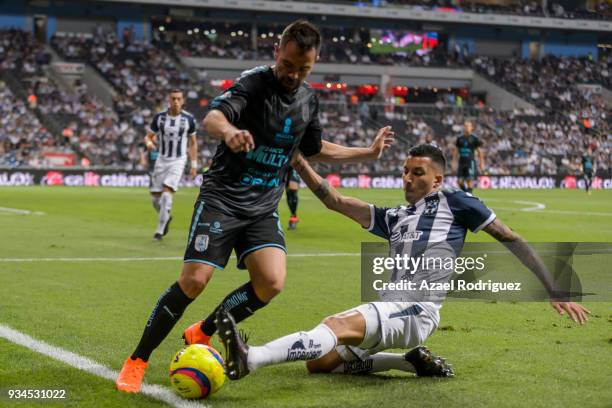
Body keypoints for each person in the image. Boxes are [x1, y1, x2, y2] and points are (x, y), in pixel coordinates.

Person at [116, 20, 395, 393]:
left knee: (271, 283)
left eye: (303, 69)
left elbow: (314, 148)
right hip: (223, 198)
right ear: (277, 51)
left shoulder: (308, 100)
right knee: (195, 281)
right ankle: (137, 359)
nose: (294, 74)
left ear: (314, 63)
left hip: (263, 207)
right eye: (289, 65)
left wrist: (366, 152)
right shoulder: (253, 82)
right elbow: (213, 117)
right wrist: (229, 131)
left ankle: (204, 330)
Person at [217, 144, 590, 381]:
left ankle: (252, 358)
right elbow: (335, 201)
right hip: (389, 304)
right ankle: (405, 362)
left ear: (437, 179)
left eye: (418, 173)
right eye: (406, 171)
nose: (408, 178)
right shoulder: (396, 216)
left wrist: (553, 287)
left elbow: (511, 237)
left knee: (335, 325)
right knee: (321, 364)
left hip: (417, 308)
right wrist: (299, 161)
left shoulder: (456, 202)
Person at [144, 89, 198, 241]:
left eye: (178, 99)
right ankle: (166, 216)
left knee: (167, 194)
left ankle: (159, 232)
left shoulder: (189, 119)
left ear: (183, 100)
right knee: (155, 199)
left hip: (178, 160)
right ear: (169, 100)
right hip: (162, 160)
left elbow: (193, 143)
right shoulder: (159, 118)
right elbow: (148, 136)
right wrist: (148, 143)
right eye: (173, 98)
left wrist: (194, 164)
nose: (176, 101)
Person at [453, 121, 484, 193]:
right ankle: (466, 194)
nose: (466, 127)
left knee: (469, 180)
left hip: (470, 162)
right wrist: (454, 162)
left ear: (471, 128)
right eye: (465, 126)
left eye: (468, 126)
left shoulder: (474, 138)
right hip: (461, 162)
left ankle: (469, 196)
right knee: (459, 181)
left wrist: (482, 163)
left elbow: (480, 151)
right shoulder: (459, 138)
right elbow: (456, 151)